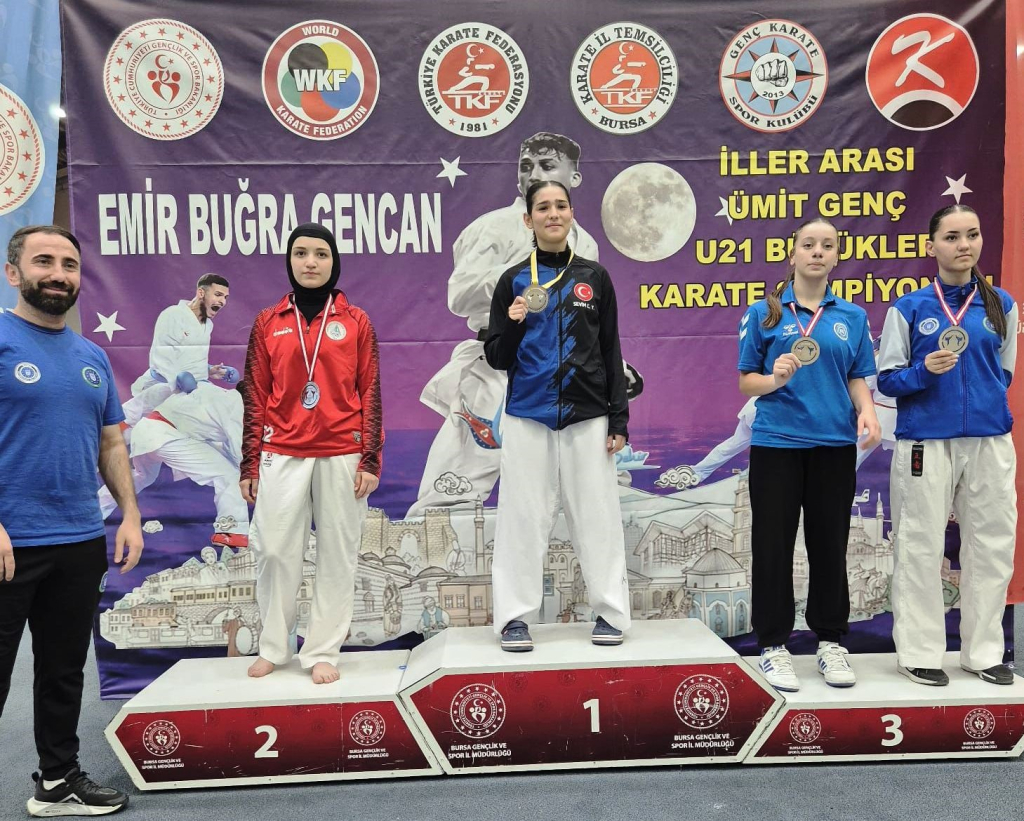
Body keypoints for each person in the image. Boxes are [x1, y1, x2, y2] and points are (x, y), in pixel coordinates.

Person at [0, 225, 143, 816]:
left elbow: (110, 443)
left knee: (62, 673)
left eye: (69, 264)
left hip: (80, 539)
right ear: (14, 272)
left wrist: (130, 512)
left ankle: (57, 781)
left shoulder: (92, 357)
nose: (58, 274)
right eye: (44, 261)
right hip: (9, 543)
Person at [408, 132, 601, 518]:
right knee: (461, 481)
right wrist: (522, 274)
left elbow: (587, 316)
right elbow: (460, 295)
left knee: (563, 482)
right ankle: (439, 543)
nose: (534, 173)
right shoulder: (495, 227)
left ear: (574, 177)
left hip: (561, 366)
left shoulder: (586, 244)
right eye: (526, 166)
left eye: (547, 165)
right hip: (500, 361)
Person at [484, 180, 632, 652]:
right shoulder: (512, 280)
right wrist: (512, 323)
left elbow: (610, 350)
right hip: (528, 414)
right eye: (543, 207)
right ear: (528, 219)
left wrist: (619, 419)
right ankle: (514, 618)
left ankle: (610, 612)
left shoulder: (595, 277)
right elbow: (496, 357)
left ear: (571, 214)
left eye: (561, 206)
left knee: (597, 516)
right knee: (522, 518)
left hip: (588, 415)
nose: (553, 214)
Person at [737, 217, 880, 692]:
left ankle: (831, 641)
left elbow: (857, 376)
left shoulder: (852, 317)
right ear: (792, 254)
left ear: (836, 257)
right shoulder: (765, 313)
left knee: (829, 544)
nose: (817, 252)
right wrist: (774, 378)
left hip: (834, 446)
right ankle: (772, 645)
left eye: (827, 245)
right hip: (777, 443)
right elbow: (746, 382)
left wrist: (867, 411)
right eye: (809, 244)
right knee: (772, 546)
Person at [878, 204, 1017, 687]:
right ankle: (918, 653)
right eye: (953, 236)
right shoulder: (910, 308)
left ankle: (983, 653)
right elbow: (887, 380)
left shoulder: (1002, 305)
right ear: (931, 245)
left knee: (992, 545)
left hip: (989, 440)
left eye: (972, 235)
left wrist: (980, 407)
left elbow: (1003, 373)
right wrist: (924, 372)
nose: (964, 245)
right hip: (926, 441)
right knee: (920, 545)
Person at [240, 223, 382, 685]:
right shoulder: (269, 320)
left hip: (343, 450)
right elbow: (255, 394)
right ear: (289, 261)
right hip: (281, 448)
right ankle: (274, 646)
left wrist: (370, 458)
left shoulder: (356, 320)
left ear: (334, 262)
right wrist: (249, 461)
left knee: (338, 555)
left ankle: (322, 649)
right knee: (274, 550)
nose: (310, 262)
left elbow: (371, 390)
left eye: (321, 254)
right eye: (300, 253)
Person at [98, 380, 249, 547]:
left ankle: (94, 510)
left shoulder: (212, 390)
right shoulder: (237, 406)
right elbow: (240, 455)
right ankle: (231, 532)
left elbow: (231, 450)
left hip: (150, 430)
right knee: (229, 475)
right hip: (166, 435)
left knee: (142, 476)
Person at [121, 273, 235, 431]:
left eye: (225, 297)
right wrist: (179, 381)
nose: (223, 301)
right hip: (161, 386)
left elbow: (190, 359)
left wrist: (209, 370)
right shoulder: (173, 314)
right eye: (218, 295)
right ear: (201, 293)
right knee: (132, 428)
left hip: (188, 392)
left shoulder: (208, 324)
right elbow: (161, 358)